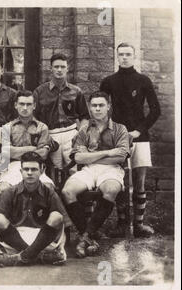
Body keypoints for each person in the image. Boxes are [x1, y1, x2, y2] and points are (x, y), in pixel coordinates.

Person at [100, 42, 161, 238]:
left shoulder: (143, 80)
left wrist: (138, 131)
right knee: (120, 181)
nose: (124, 57)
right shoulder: (109, 81)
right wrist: (113, 132)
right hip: (118, 139)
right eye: (121, 54)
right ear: (117, 57)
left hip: (140, 138)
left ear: (134, 56)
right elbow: (101, 109)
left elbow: (155, 110)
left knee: (140, 182)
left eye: (128, 54)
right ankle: (122, 224)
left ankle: (139, 225)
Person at [61, 91, 130, 258]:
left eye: (101, 105)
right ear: (90, 108)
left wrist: (92, 156)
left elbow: (121, 156)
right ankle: (89, 235)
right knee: (67, 191)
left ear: (108, 107)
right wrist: (107, 153)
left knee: (111, 190)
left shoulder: (120, 129)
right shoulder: (84, 130)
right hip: (89, 169)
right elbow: (78, 157)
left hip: (112, 169)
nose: (97, 109)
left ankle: (85, 237)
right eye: (94, 106)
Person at [0, 152, 67, 267]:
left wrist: (62, 247)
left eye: (34, 169)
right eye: (26, 169)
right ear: (21, 171)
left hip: (41, 238)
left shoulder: (49, 192)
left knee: (56, 216)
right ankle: (37, 256)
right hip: (15, 238)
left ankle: (21, 257)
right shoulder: (10, 192)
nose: (29, 173)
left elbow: (61, 224)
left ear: (41, 170)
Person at [33, 53, 90, 170]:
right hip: (51, 135)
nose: (59, 70)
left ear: (67, 68)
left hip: (71, 134)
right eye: (56, 67)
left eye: (63, 67)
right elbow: (34, 117)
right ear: (51, 69)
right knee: (54, 170)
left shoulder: (76, 91)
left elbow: (85, 116)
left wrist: (81, 134)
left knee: (74, 169)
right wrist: (43, 135)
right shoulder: (39, 92)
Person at [0, 89, 55, 197]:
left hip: (36, 167)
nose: (25, 108)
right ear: (15, 105)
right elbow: (6, 153)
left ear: (34, 106)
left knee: (48, 188)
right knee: (3, 189)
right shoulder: (7, 128)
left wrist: (16, 151)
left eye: (28, 104)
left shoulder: (42, 127)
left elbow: (43, 154)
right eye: (21, 104)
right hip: (14, 167)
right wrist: (32, 149)